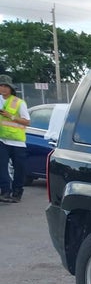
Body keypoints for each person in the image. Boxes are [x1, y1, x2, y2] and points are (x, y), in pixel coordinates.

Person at [0, 75, 31, 203]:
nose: (3, 88)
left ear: (11, 88)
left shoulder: (18, 102)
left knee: (19, 169)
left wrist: (10, 116)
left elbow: (27, 122)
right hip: (2, 140)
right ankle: (5, 192)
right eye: (1, 85)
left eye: (6, 86)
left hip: (17, 142)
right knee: (2, 167)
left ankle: (17, 193)